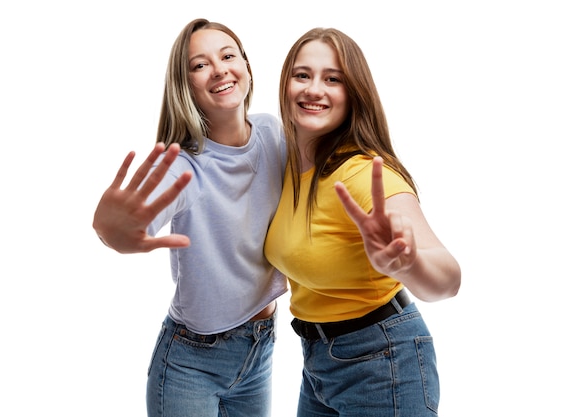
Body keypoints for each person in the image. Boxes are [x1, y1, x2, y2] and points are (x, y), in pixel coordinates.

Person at [93, 18, 287, 417]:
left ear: (247, 67)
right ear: (187, 88)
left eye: (228, 55)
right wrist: (114, 231)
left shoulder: (272, 132)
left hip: (261, 348)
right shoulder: (184, 166)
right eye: (199, 65)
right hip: (191, 362)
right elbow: (133, 225)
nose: (218, 69)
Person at [264, 27, 462, 416]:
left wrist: (409, 264)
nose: (314, 89)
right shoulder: (284, 163)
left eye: (333, 79)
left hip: (383, 362)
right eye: (302, 75)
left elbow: (449, 278)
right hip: (318, 362)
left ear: (353, 93)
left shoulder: (364, 175)